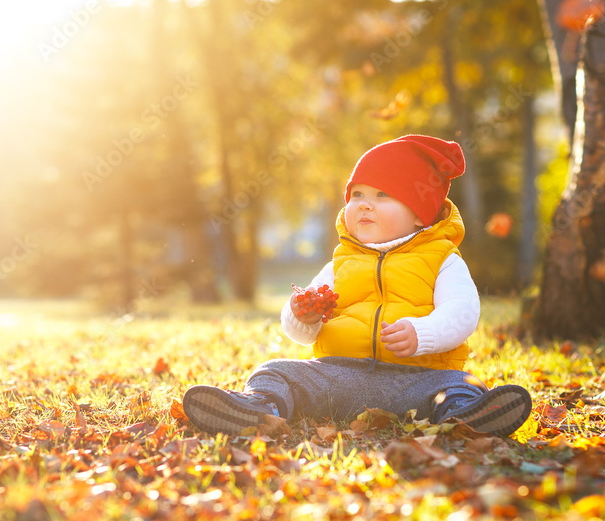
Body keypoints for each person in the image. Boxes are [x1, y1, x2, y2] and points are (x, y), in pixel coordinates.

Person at [182, 135, 532, 437]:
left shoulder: (443, 259)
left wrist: (421, 333)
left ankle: (464, 417)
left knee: (460, 385)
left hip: (418, 379)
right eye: (357, 194)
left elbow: (463, 312)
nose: (364, 203)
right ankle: (259, 410)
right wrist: (301, 313)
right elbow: (302, 333)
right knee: (275, 370)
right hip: (338, 377)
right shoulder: (340, 263)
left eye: (382, 195)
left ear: (419, 213)